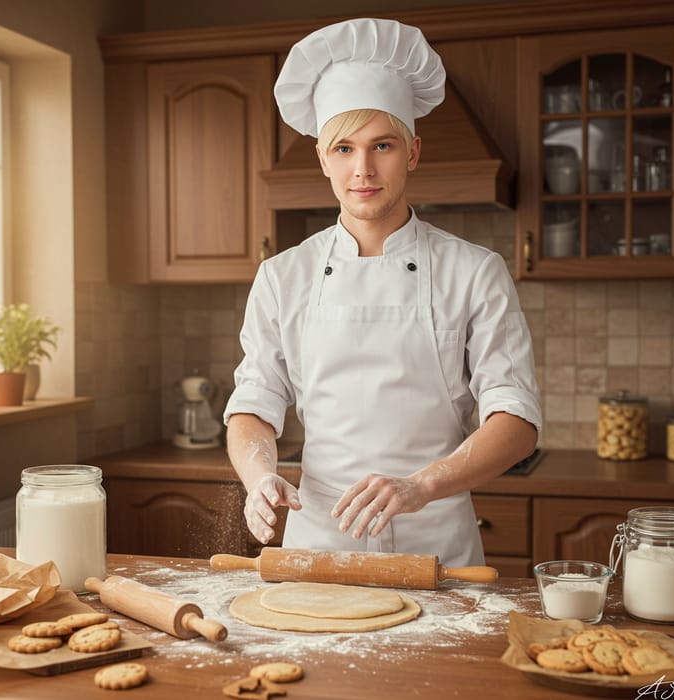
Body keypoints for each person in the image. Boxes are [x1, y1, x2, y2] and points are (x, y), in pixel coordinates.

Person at [224, 17, 541, 567]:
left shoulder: (474, 271)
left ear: (413, 152)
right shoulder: (282, 276)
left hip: (436, 545)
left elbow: (516, 422)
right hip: (318, 543)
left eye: (382, 145)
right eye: (343, 149)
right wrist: (259, 477)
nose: (362, 169)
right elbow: (253, 405)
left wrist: (420, 486)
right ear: (323, 159)